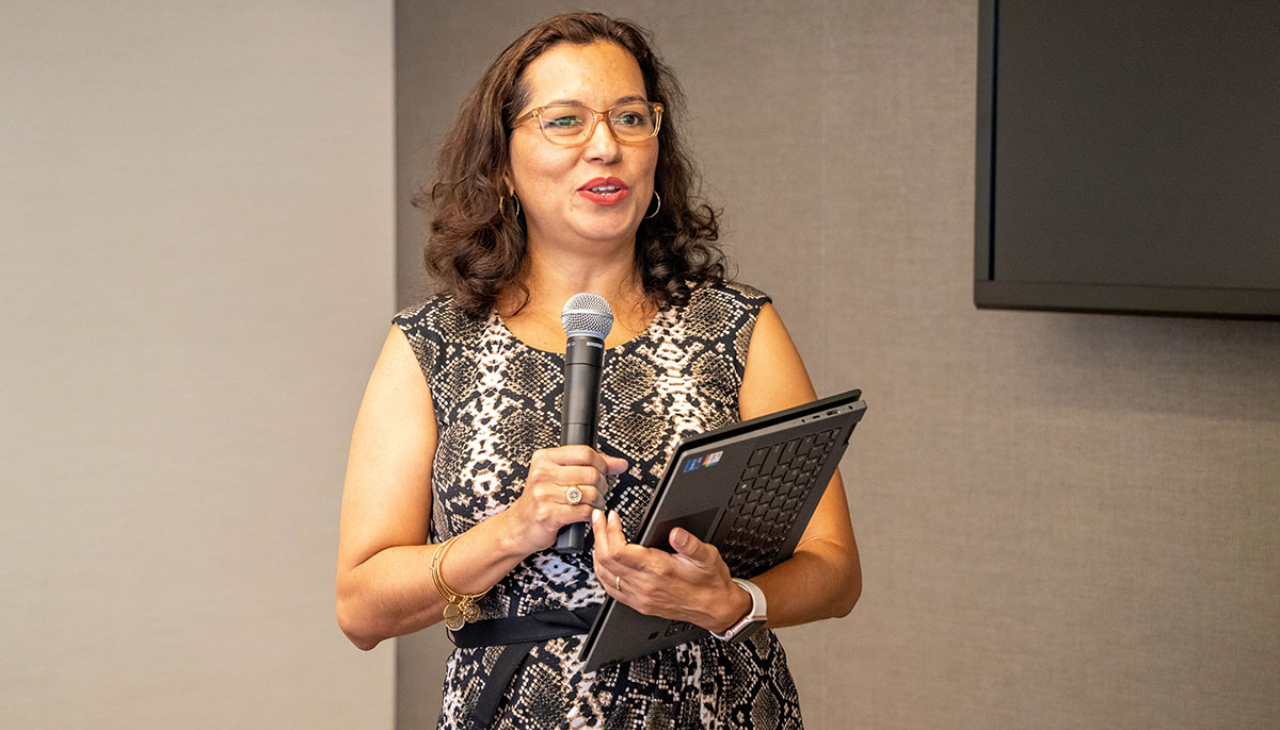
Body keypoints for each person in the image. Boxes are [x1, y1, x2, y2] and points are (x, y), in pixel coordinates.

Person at [336, 12, 861, 730]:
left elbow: (835, 571)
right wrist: (511, 531)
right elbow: (361, 608)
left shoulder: (738, 326)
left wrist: (733, 601)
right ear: (502, 163)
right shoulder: (431, 345)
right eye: (565, 121)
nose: (605, 147)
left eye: (630, 118)